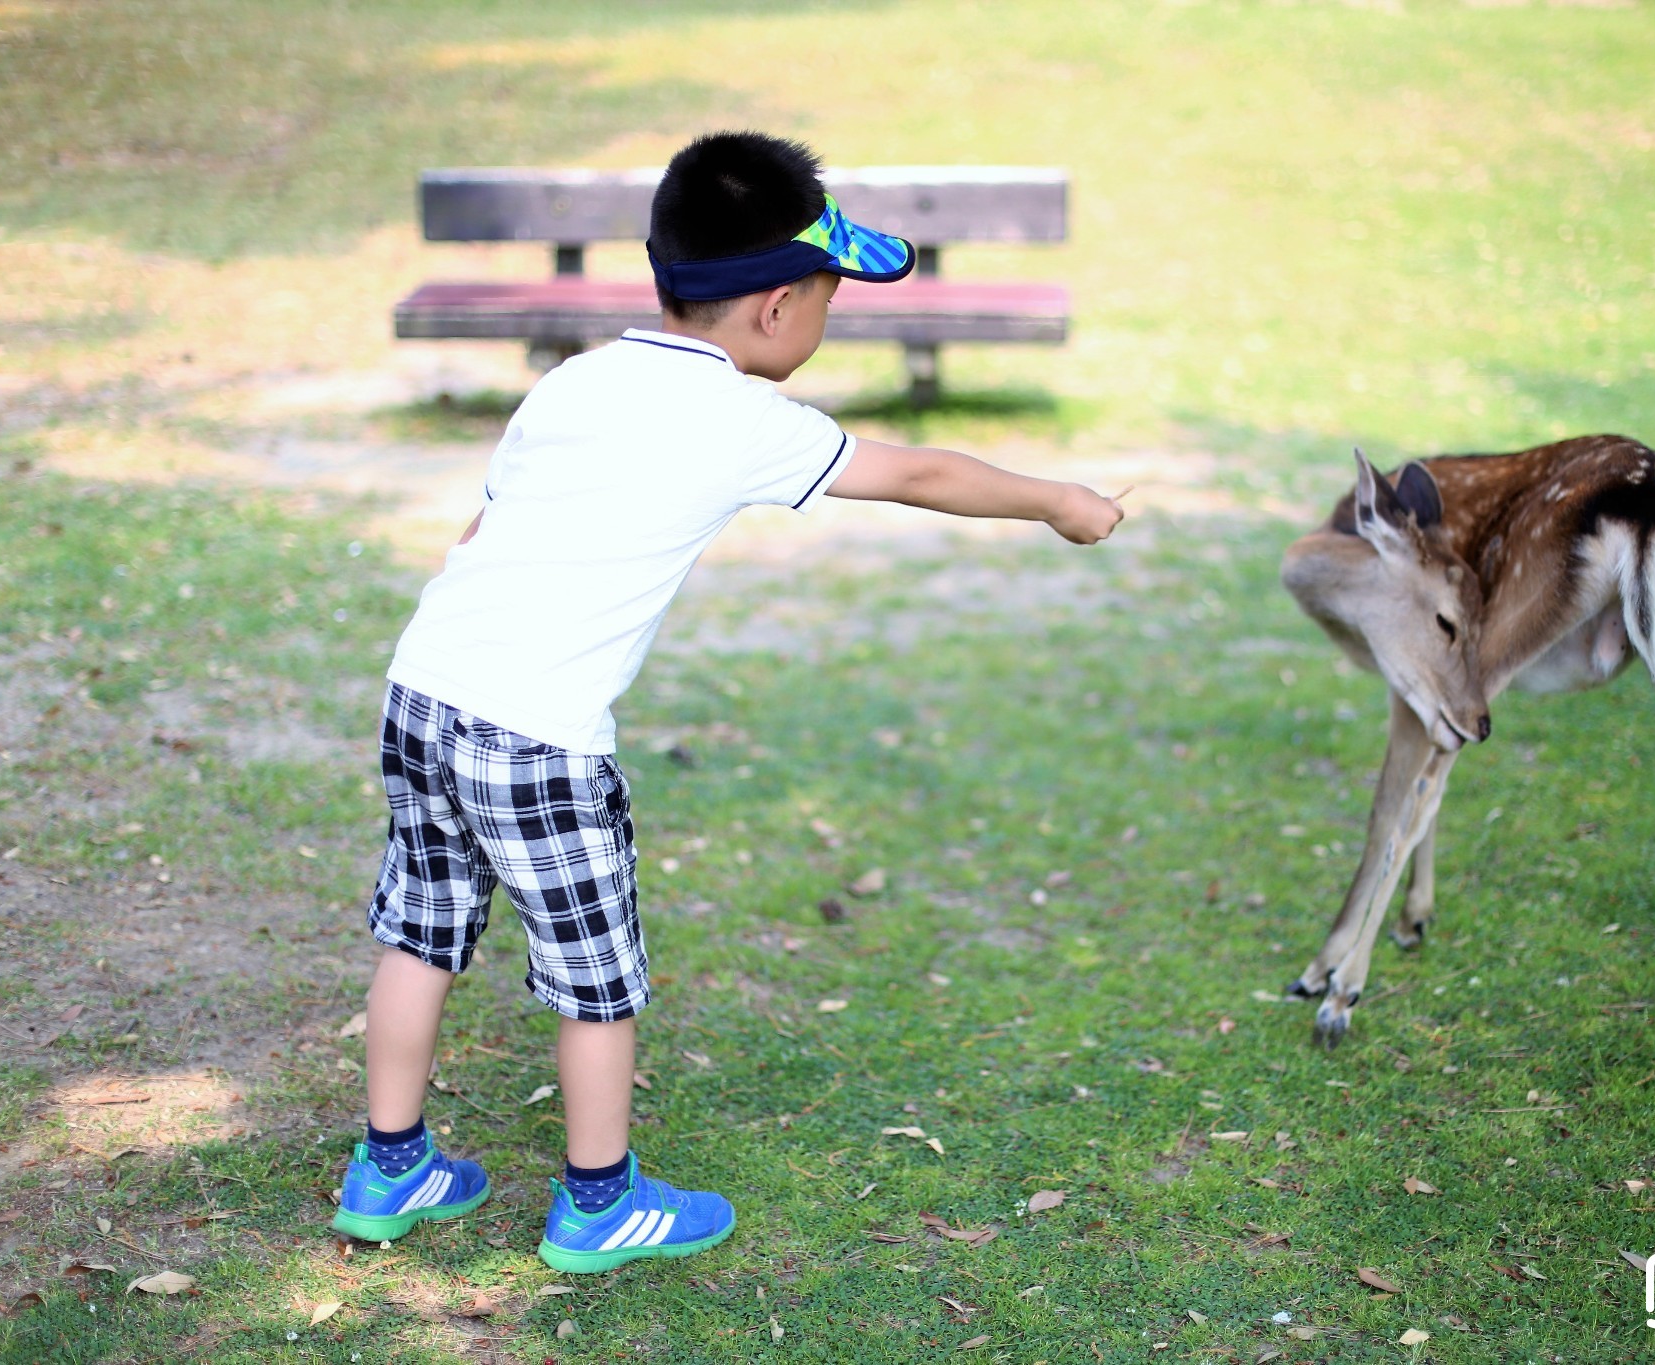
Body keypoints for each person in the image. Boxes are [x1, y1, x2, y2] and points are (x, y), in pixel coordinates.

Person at [329, 131, 1124, 1273]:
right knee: (594, 974)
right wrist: (1056, 499)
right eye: (827, 301)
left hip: (426, 691)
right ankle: (598, 1202)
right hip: (537, 735)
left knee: (422, 927)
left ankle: (389, 1168)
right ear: (774, 311)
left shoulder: (573, 379)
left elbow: (480, 532)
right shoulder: (740, 419)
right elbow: (915, 473)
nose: (824, 320)